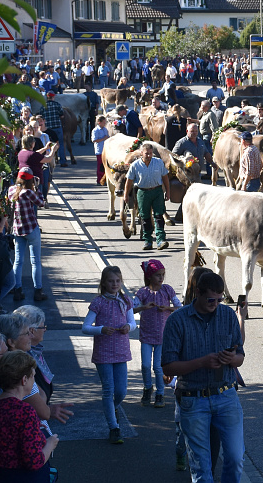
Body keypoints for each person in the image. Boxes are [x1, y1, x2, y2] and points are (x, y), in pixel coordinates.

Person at [162, 271, 245, 483]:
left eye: (219, 300)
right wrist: (202, 362)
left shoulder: (227, 316)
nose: (215, 304)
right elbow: (168, 366)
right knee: (202, 468)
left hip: (226, 395)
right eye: (210, 299)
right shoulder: (177, 320)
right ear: (197, 293)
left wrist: (230, 359)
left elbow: (240, 356)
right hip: (193, 399)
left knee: (235, 459)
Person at [0, 350, 59, 481]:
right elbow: (34, 461)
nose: (33, 381)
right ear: (24, 380)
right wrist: (50, 444)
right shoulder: (25, 411)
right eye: (33, 376)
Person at [82, 266, 135, 444]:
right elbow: (85, 327)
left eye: (118, 281)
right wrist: (101, 329)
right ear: (104, 282)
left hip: (121, 350)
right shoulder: (98, 302)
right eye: (111, 281)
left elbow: (132, 323)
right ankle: (114, 428)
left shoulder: (125, 300)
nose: (114, 284)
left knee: (121, 391)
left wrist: (129, 327)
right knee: (108, 390)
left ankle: (113, 409)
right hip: (103, 352)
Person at [134, 259, 180, 410]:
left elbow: (179, 307)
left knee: (158, 367)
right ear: (149, 277)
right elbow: (131, 310)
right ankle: (148, 388)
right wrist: (144, 307)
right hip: (147, 335)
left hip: (163, 337)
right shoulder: (143, 292)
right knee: (146, 365)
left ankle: (160, 393)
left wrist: (167, 308)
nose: (161, 278)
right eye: (157, 275)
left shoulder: (167, 290)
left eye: (162, 275)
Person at [9, 167, 48, 302]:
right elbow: (41, 203)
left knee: (18, 261)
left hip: (17, 230)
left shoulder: (11, 190)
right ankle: (38, 290)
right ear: (31, 179)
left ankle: (17, 290)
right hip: (31, 229)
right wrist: (38, 188)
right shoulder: (28, 192)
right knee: (35, 261)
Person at [125, 144, 171, 251]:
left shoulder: (158, 163)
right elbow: (129, 181)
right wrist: (126, 195)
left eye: (150, 153)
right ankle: (148, 241)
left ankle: (160, 240)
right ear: (141, 153)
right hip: (142, 192)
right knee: (145, 218)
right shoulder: (135, 165)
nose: (149, 155)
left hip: (157, 191)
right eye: (147, 153)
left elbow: (165, 177)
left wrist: (168, 192)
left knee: (159, 216)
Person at [13, 306, 54, 402]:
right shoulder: (22, 358)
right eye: (43, 327)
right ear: (32, 330)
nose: (44, 330)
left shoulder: (35, 351)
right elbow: (39, 401)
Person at [92, 115, 109, 185]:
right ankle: (99, 180)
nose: (105, 124)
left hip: (105, 150)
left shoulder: (105, 129)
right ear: (99, 122)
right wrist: (103, 139)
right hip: (99, 150)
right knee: (100, 166)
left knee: (105, 165)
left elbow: (107, 137)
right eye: (103, 122)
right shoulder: (95, 130)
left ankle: (104, 179)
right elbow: (94, 140)